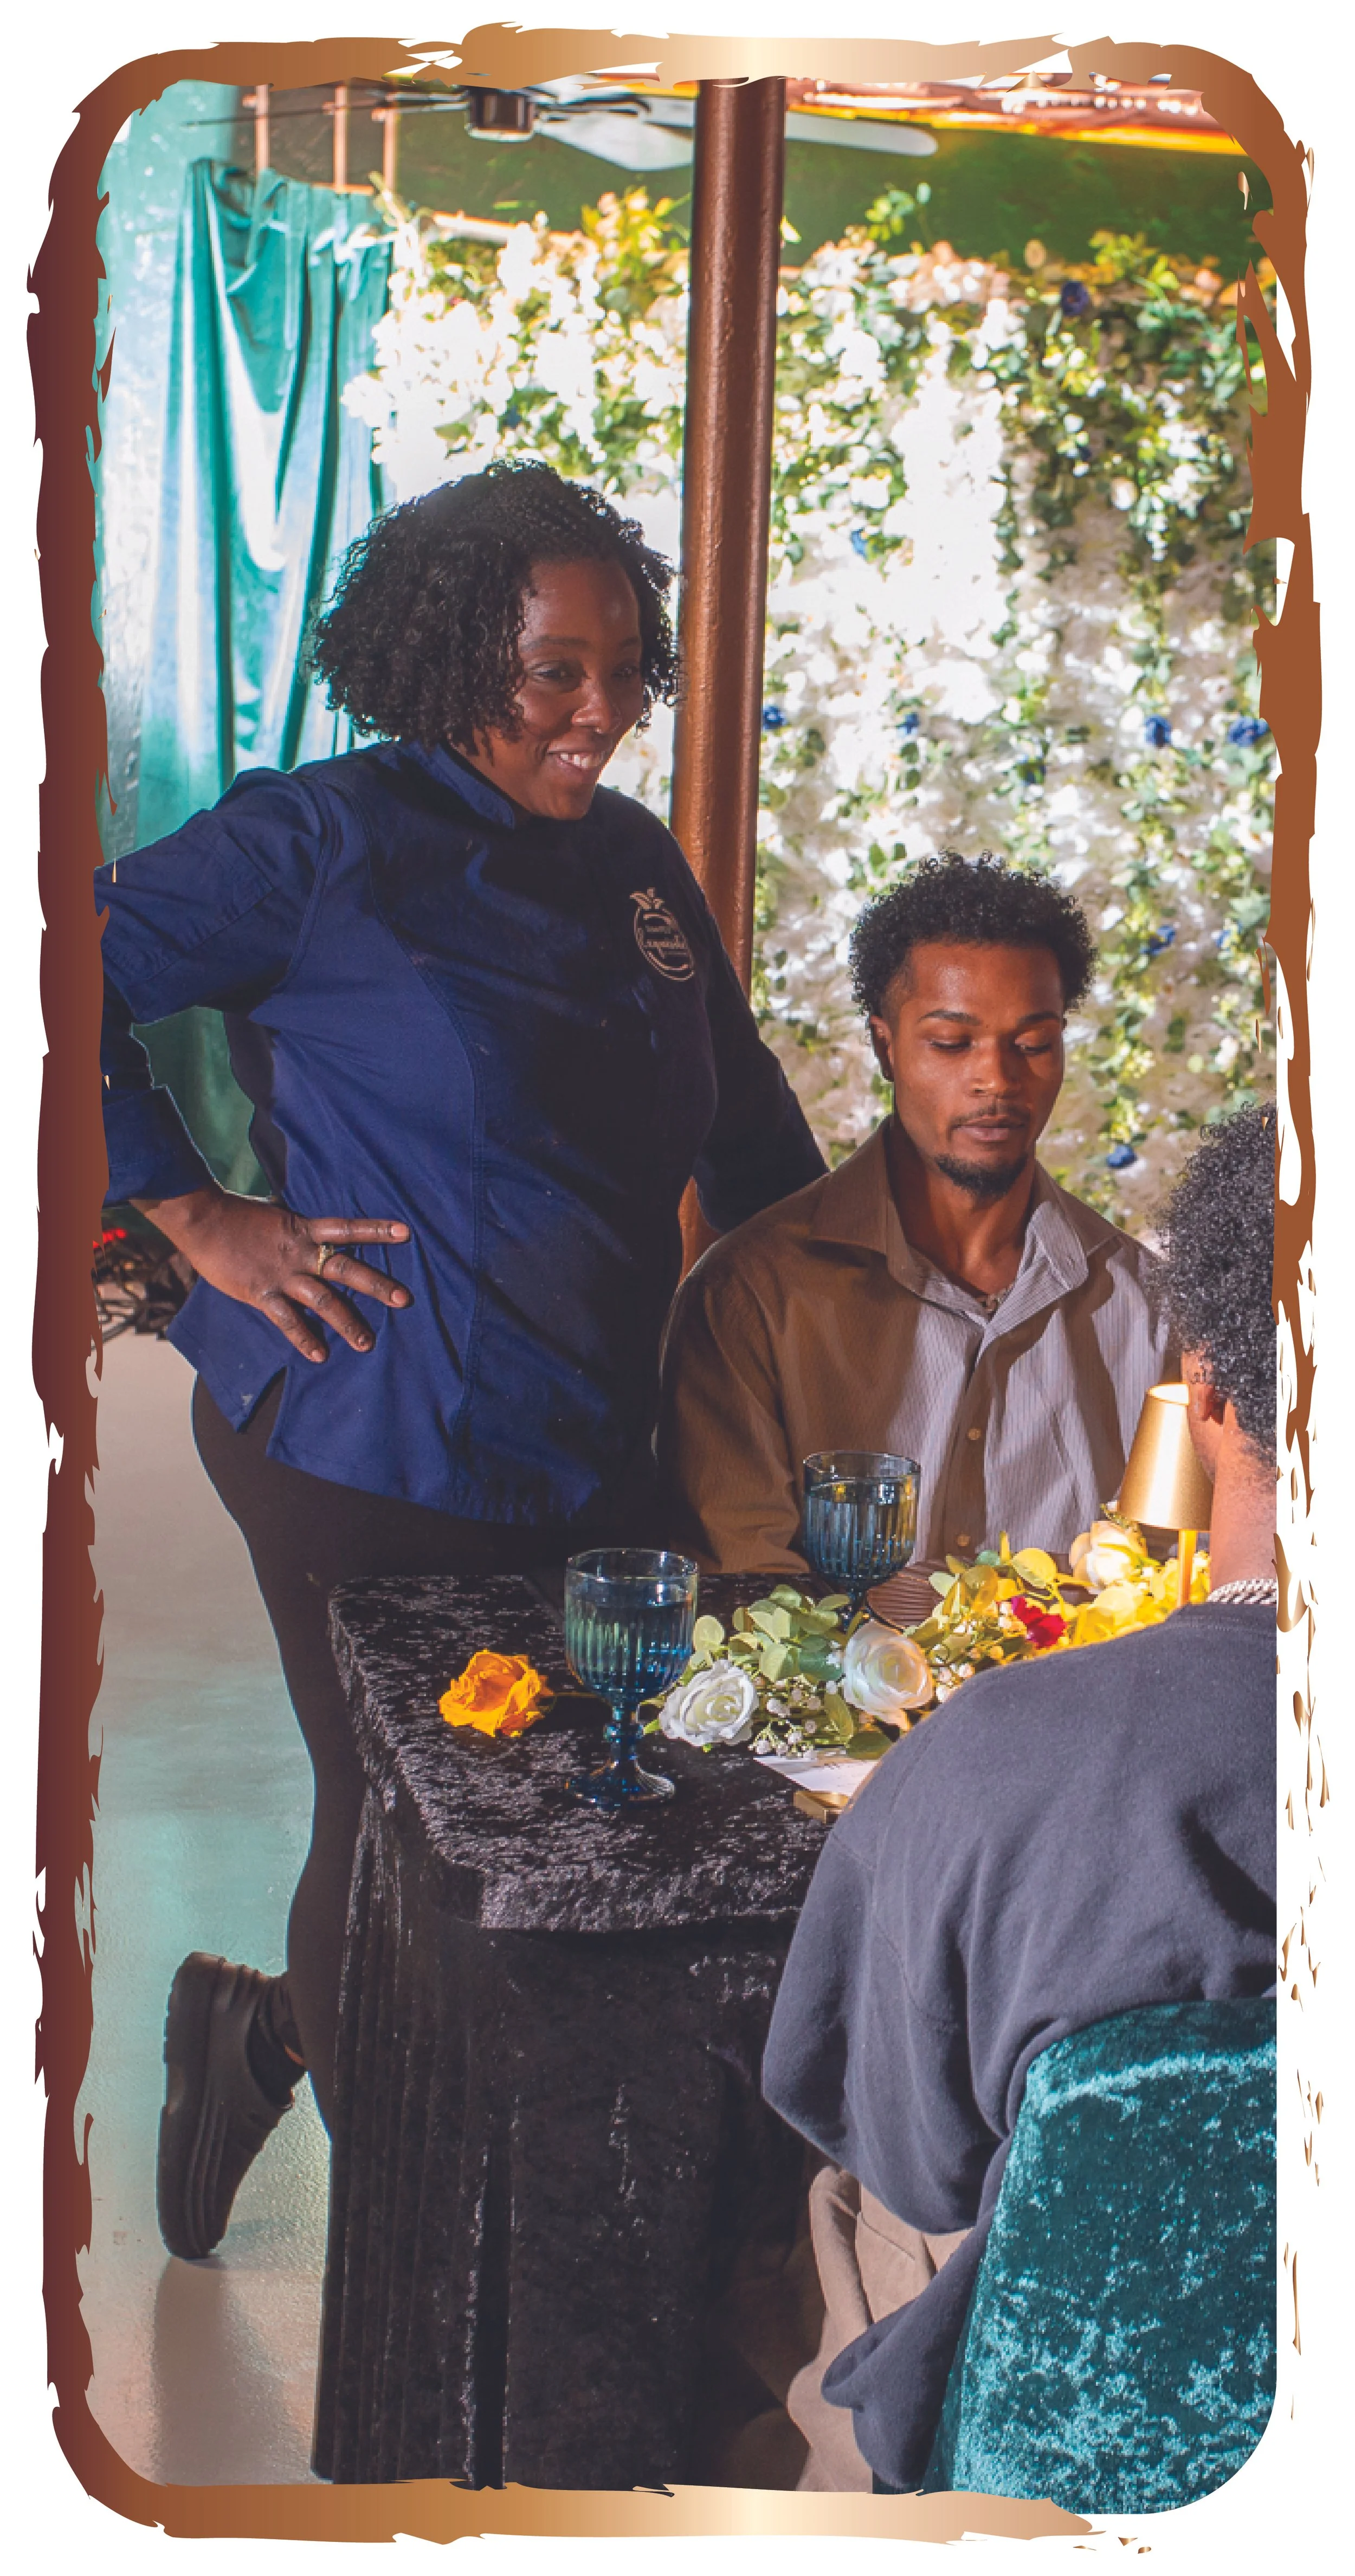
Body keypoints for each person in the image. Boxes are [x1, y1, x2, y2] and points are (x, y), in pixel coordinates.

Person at [95, 459, 825, 2261]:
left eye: (627, 670)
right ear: (444, 661)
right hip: (367, 1432)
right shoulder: (321, 840)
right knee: (409, 1832)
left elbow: (749, 1138)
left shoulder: (636, 863)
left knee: (610, 1810)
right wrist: (193, 1216)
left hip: (598, 1445)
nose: (602, 712)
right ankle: (437, 2274)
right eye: (555, 670)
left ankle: (259, 2033)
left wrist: (873, 1310)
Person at [759, 1100, 1277, 2493]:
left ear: (1209, 1388)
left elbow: (903, 2143)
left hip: (1072, 2459)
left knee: (852, 2209)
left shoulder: (1001, 1760)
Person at [657, 851, 1173, 1572]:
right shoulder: (750, 1300)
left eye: (1034, 1044)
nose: (996, 1078)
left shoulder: (1151, 1315)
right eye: (952, 1043)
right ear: (884, 1046)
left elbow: (1192, 1595)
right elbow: (742, 1596)